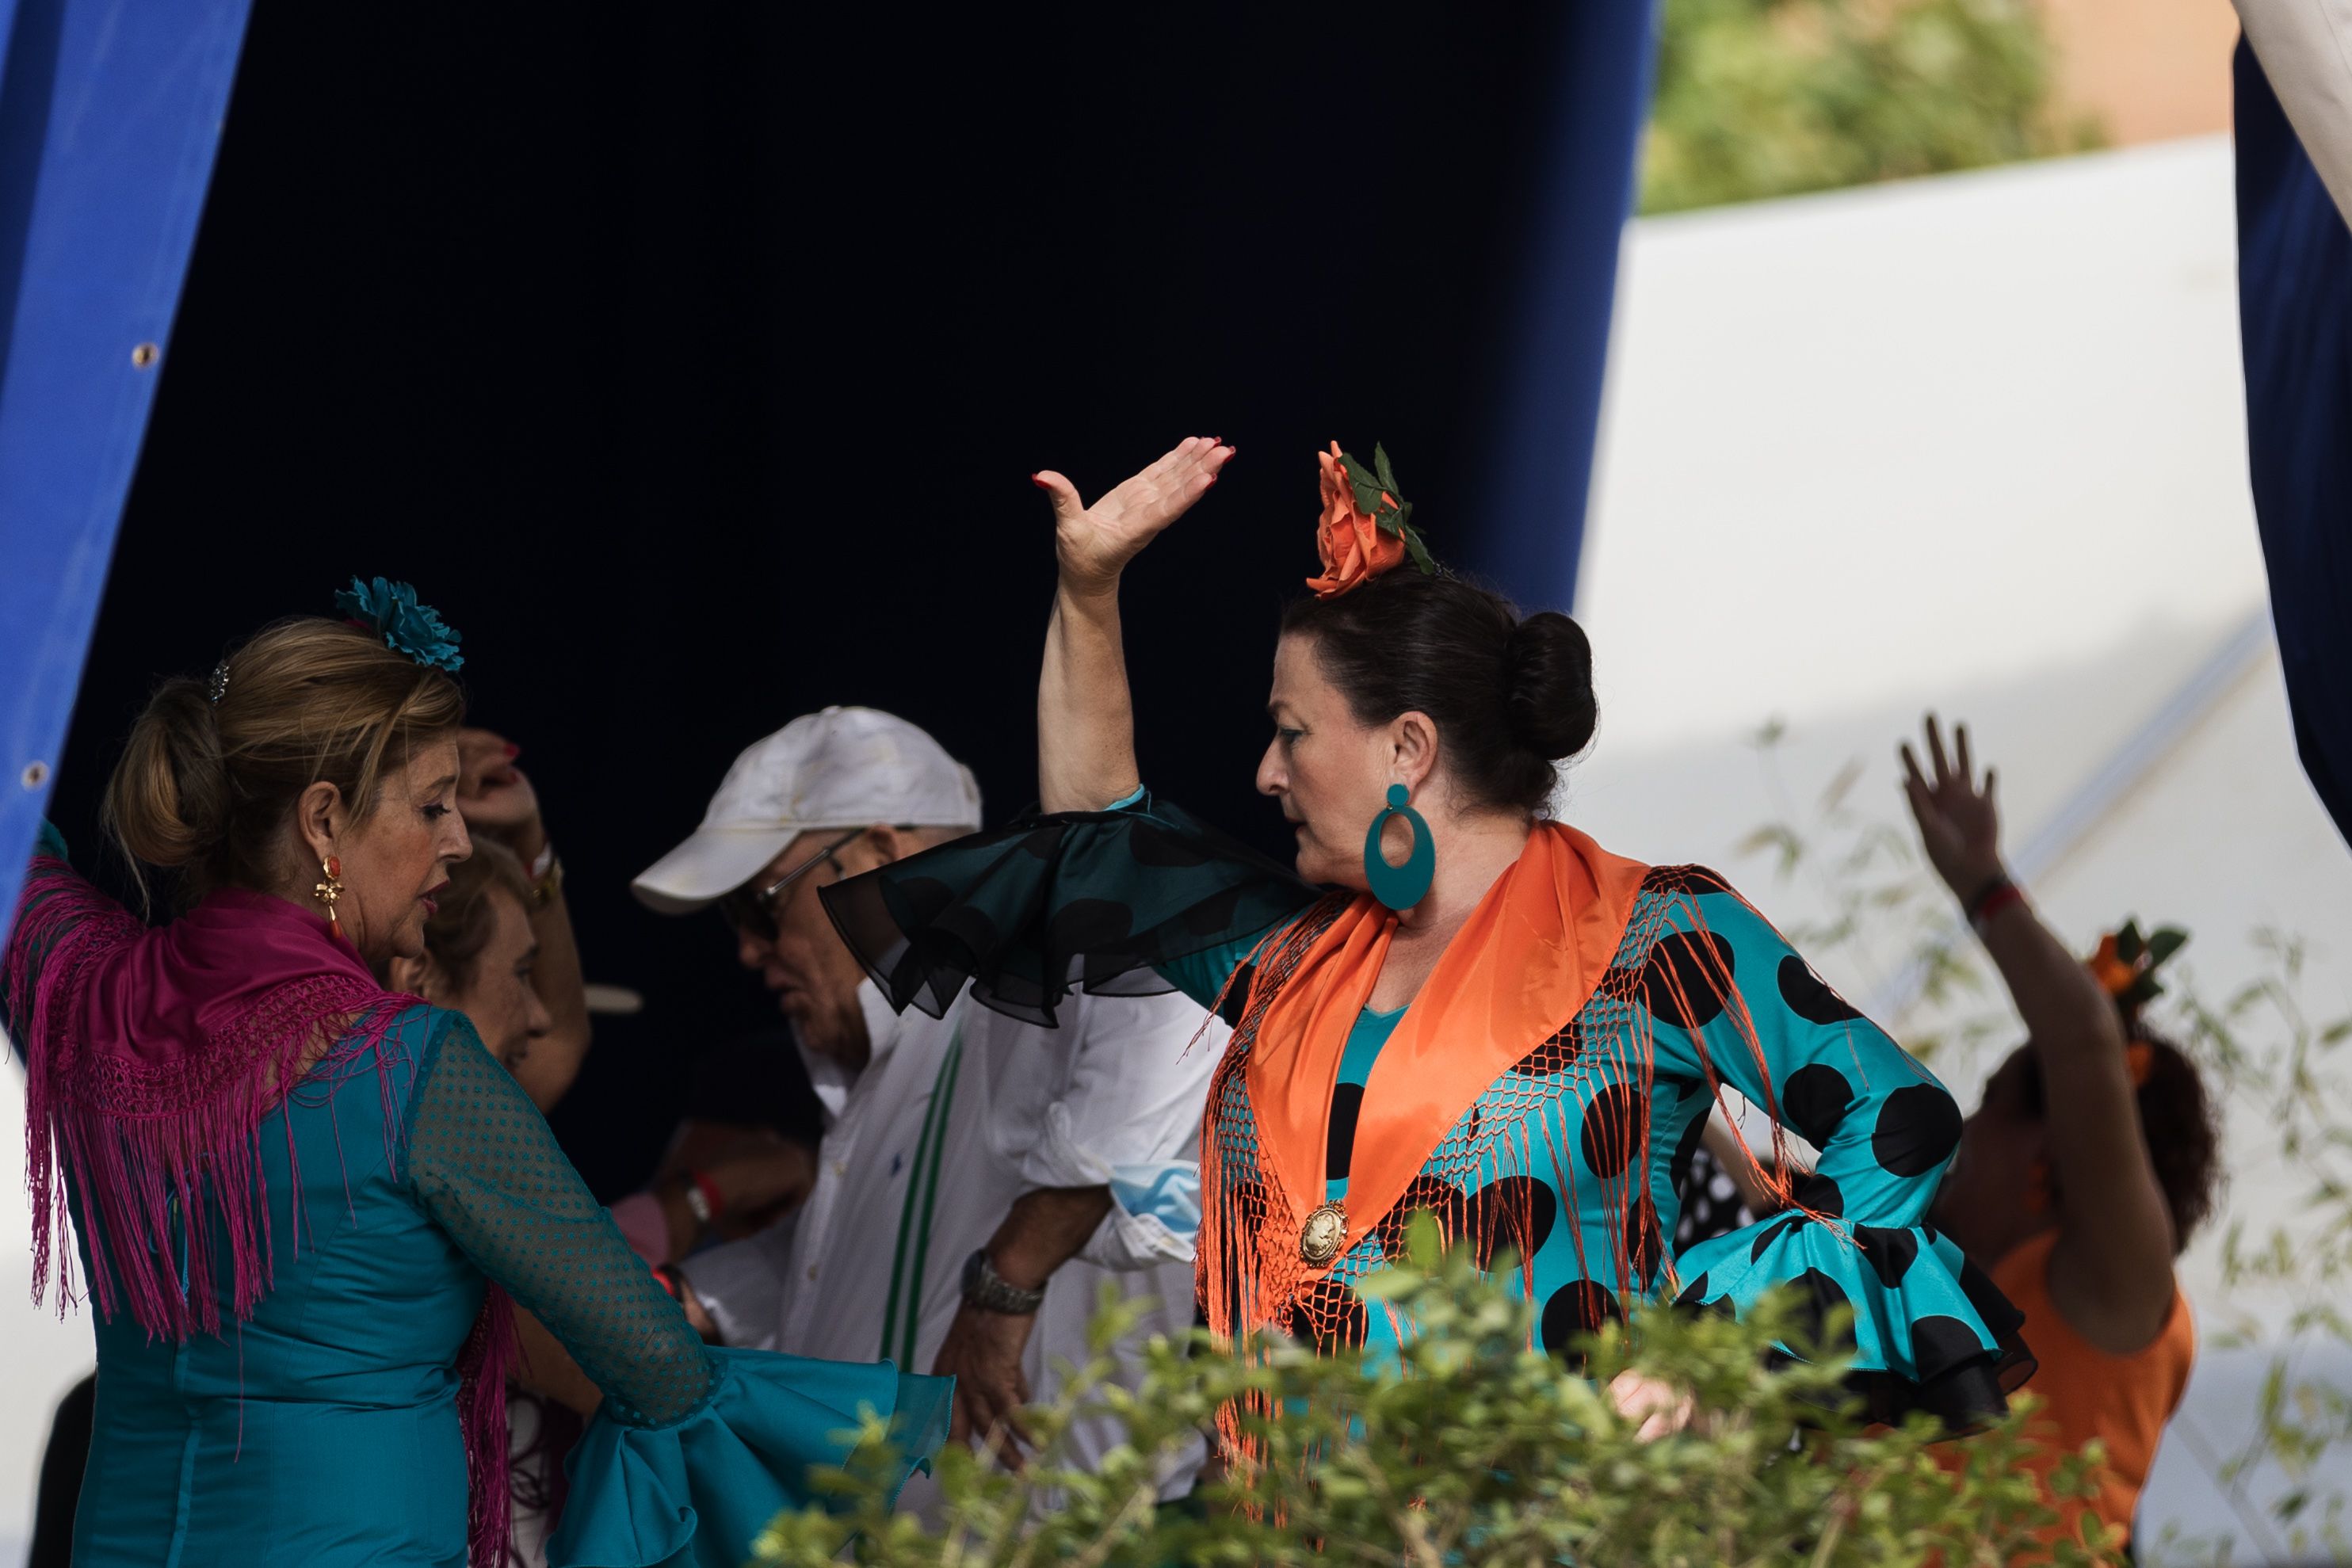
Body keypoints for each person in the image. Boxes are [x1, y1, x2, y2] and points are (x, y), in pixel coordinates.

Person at [820, 438, 2033, 1450]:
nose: (1266, 771)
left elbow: (1902, 1123)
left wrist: (1707, 1344)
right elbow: (1098, 844)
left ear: (1407, 750)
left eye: (1292, 733)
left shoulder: (1656, 935)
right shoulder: (1291, 957)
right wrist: (1089, 593)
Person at [0, 582, 945, 1568]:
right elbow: (660, 1372)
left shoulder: (78, 988)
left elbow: (13, 845)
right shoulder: (410, 1066)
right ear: (324, 820)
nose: (457, 838)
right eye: (430, 805)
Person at [634, 707, 1219, 1496]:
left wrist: (1006, 1280)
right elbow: (863, 1254)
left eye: (760, 906)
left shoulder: (1013, 1005)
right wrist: (698, 1299)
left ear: (878, 859)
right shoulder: (884, 1056)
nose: (747, 949)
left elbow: (1175, 986)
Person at [1904, 717, 2221, 1558]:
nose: (1963, 1129)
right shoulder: (1940, 1289)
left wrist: (1981, 883)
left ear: (2054, 1151)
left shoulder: (2107, 1295)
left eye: (1991, 1106)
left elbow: (2082, 1042)